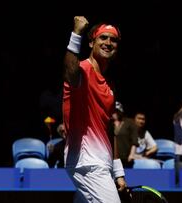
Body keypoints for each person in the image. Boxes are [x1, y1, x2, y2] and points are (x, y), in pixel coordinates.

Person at [63, 16, 126, 203]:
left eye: (113, 40)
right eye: (103, 38)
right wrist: (76, 34)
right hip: (87, 162)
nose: (108, 43)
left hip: (102, 163)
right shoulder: (82, 70)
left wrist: (118, 172)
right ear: (91, 43)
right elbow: (70, 72)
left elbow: (109, 129)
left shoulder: (110, 85)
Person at [111, 102, 139, 168]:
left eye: (117, 111)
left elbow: (134, 141)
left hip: (126, 159)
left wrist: (132, 154)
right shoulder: (108, 123)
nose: (115, 113)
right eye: (113, 111)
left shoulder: (129, 123)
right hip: (110, 159)